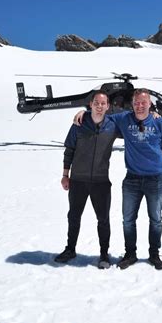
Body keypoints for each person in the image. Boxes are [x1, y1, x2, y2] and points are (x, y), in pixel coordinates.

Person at [76, 89, 162, 270]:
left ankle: (154, 254)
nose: (140, 106)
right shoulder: (124, 119)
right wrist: (84, 112)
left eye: (143, 103)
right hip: (131, 179)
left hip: (155, 180)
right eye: (137, 103)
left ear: (149, 104)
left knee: (156, 219)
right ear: (132, 104)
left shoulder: (160, 123)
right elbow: (101, 115)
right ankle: (130, 254)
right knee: (128, 220)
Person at [54, 91, 119, 269]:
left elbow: (134, 120)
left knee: (103, 219)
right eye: (96, 103)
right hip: (78, 180)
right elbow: (69, 150)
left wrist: (154, 115)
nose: (99, 106)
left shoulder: (113, 125)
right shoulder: (79, 124)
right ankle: (70, 249)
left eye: (103, 103)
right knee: (73, 216)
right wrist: (65, 175)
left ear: (108, 106)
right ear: (90, 105)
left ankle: (104, 254)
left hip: (101, 181)